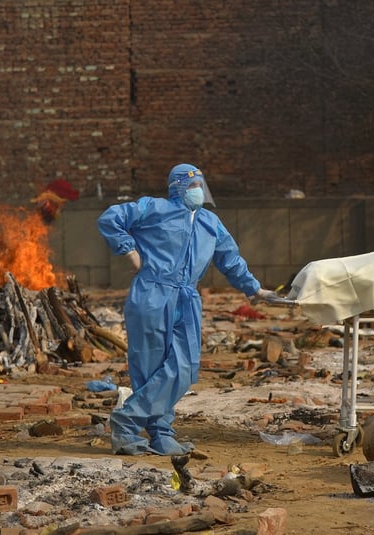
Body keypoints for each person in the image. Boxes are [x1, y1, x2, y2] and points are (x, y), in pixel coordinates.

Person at [97, 163, 278, 455]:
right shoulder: (154, 209)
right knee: (150, 367)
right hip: (152, 292)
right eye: (192, 185)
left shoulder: (210, 222)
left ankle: (128, 420)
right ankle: (155, 434)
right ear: (178, 187)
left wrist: (254, 288)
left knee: (184, 368)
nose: (198, 191)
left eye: (200, 185)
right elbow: (111, 218)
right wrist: (129, 250)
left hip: (187, 297)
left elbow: (230, 259)